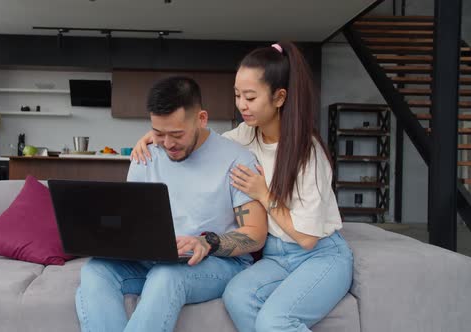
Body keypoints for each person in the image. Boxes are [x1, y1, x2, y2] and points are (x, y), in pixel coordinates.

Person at [130, 42, 354, 332]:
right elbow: (206, 139)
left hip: (320, 254)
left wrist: (264, 193)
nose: (241, 105)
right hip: (275, 255)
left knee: (276, 320)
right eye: (237, 95)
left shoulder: (307, 152)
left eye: (250, 97)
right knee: (237, 296)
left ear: (279, 97)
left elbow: (307, 238)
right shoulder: (244, 136)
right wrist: (160, 135)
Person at [76, 76, 268, 332]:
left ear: (201, 119)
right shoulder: (146, 155)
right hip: (154, 258)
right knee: (95, 271)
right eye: (158, 133)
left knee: (166, 275)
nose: (167, 144)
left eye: (177, 134)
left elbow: (255, 235)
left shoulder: (237, 161)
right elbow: (131, 221)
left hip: (217, 262)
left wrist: (206, 242)